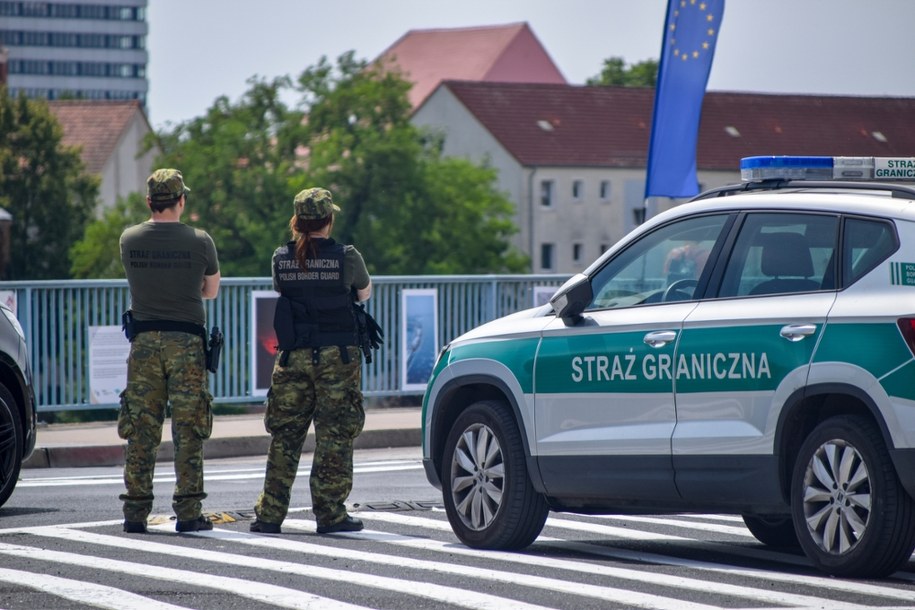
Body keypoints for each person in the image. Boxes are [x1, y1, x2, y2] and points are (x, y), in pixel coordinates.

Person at [251, 187, 372, 535]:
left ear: (296, 222)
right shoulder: (347, 256)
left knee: (285, 436)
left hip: (292, 357)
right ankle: (330, 514)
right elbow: (363, 292)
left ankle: (269, 514)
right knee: (335, 434)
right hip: (337, 357)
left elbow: (282, 290)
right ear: (328, 220)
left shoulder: (281, 258)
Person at [118, 168, 221, 534]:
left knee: (142, 428)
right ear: (181, 201)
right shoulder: (201, 240)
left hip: (143, 344)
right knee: (188, 428)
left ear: (149, 202)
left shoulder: (129, 239)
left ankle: (135, 512)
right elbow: (210, 291)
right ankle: (189, 512)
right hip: (186, 342)